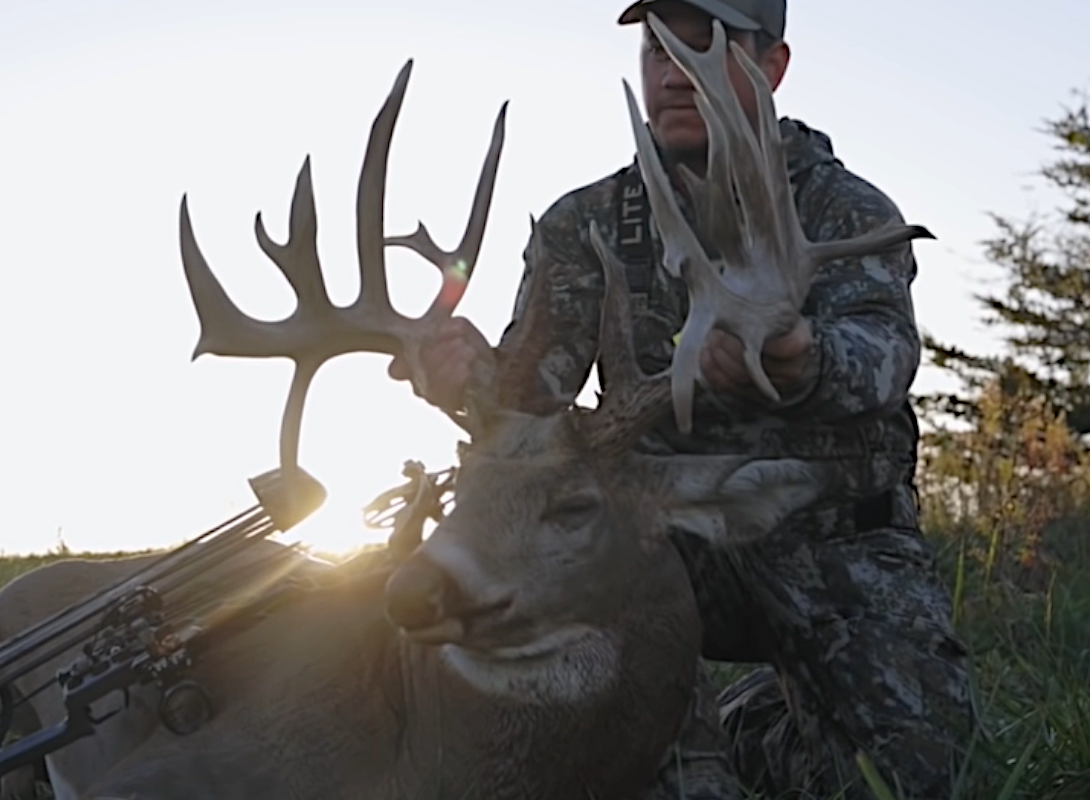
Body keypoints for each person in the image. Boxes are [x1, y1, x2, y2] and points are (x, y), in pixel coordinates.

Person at [390, 1, 974, 797]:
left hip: (838, 545)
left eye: (705, 48)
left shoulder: (843, 209)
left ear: (772, 68)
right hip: (664, 542)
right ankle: (671, 749)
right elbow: (534, 409)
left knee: (911, 778)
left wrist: (803, 361)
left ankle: (754, 722)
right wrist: (469, 382)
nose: (672, 73)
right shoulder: (585, 223)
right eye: (657, 49)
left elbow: (884, 358)